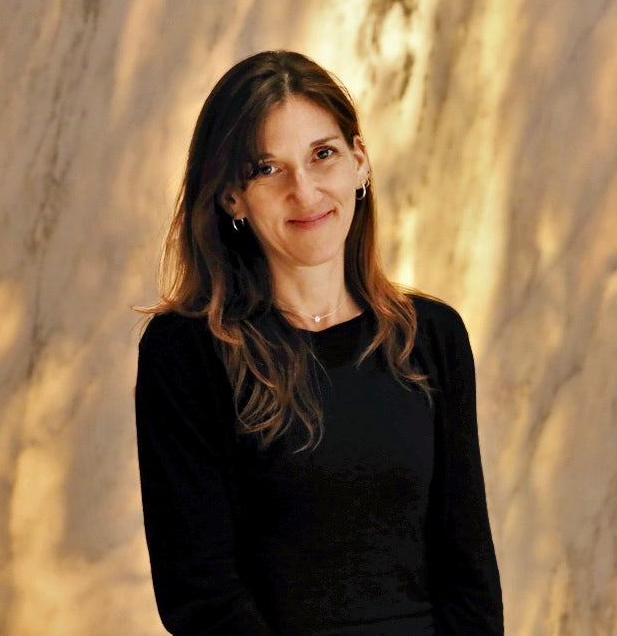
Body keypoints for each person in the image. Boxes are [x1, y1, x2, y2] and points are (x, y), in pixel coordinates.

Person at [134, 50, 503, 635]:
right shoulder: (186, 352)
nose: (304, 192)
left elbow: (470, 577)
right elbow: (198, 592)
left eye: (322, 155)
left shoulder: (432, 336)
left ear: (360, 163)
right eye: (266, 168)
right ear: (232, 196)